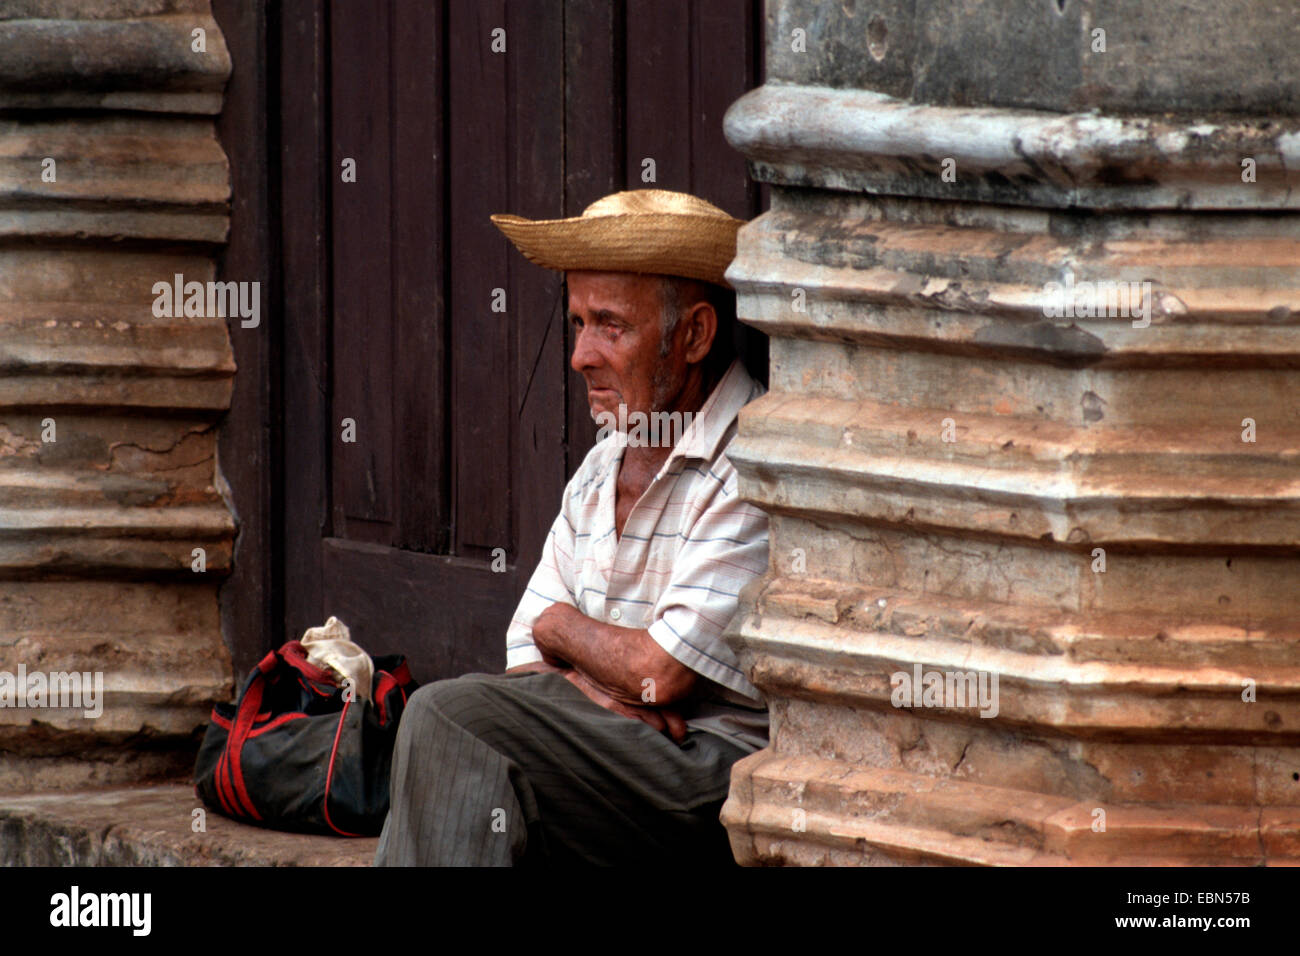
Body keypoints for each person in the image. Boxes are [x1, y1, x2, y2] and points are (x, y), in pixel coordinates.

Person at [374, 189, 769, 866]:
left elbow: (659, 673)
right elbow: (526, 661)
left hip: (708, 772)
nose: (581, 355)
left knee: (445, 717)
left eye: (610, 326)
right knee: (466, 758)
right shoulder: (601, 464)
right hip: (613, 759)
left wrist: (562, 631)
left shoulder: (753, 459)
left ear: (697, 335)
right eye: (578, 323)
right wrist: (587, 689)